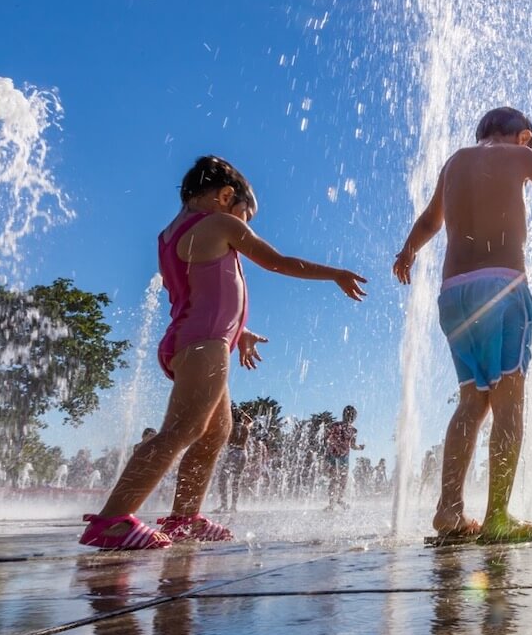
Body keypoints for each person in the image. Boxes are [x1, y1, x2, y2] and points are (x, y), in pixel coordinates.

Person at [80, 155, 367, 550]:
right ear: (226, 196)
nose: (246, 226)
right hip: (204, 342)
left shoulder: (170, 235)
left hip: (196, 339)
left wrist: (240, 332)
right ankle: (112, 520)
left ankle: (185, 518)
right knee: (182, 430)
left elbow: (195, 292)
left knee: (216, 431)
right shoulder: (220, 223)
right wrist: (334, 273)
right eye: (246, 216)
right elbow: (277, 261)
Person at [394, 107, 532, 543]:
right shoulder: (521, 156)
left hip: (453, 294)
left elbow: (430, 222)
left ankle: (449, 511)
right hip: (502, 288)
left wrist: (408, 251)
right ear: (523, 135)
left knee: (471, 402)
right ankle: (497, 516)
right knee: (509, 401)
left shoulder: (454, 163)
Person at [325, 405, 365, 509]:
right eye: (349, 415)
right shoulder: (336, 426)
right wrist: (332, 445)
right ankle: (333, 502)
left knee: (341, 479)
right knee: (335, 478)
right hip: (335, 455)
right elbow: (327, 438)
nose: (350, 418)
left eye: (351, 415)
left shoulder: (353, 430)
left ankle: (338, 500)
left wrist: (359, 447)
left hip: (342, 456)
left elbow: (352, 445)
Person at [217, 411, 253, 512]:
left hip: (233, 453)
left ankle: (224, 505)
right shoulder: (246, 428)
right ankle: (233, 506)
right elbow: (251, 421)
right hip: (243, 453)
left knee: (222, 479)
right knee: (236, 481)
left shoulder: (231, 427)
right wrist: (244, 414)